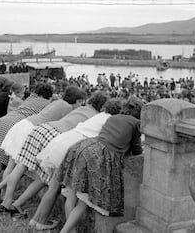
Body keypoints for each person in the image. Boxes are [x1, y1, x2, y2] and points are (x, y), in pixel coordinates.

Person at [0, 92, 108, 216]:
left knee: (21, 167)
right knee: (45, 179)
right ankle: (10, 203)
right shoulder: (95, 116)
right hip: (55, 134)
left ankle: (5, 199)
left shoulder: (81, 108)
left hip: (41, 128)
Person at [57, 96, 143, 233]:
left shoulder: (112, 117)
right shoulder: (136, 123)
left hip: (85, 146)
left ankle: (70, 230)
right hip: (99, 155)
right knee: (84, 202)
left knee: (74, 193)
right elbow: (136, 149)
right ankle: (65, 231)